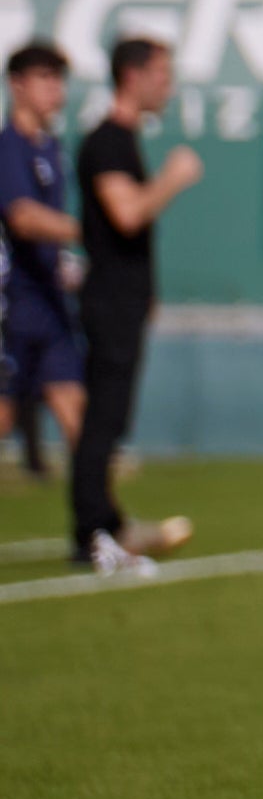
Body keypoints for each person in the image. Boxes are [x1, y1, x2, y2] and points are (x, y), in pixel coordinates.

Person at [72, 36, 202, 572]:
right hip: (108, 301)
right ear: (133, 76)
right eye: (161, 75)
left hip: (123, 300)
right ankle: (93, 531)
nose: (168, 86)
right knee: (102, 417)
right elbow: (127, 215)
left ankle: (106, 521)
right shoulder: (106, 140)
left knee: (112, 417)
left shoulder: (123, 139)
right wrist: (172, 178)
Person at [5, 40, 79, 484]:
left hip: (47, 299)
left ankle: (103, 516)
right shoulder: (8, 147)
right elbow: (22, 217)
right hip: (10, 303)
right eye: (45, 78)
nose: (56, 90)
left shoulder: (52, 148)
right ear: (17, 85)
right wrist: (88, 232)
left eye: (59, 79)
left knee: (74, 403)